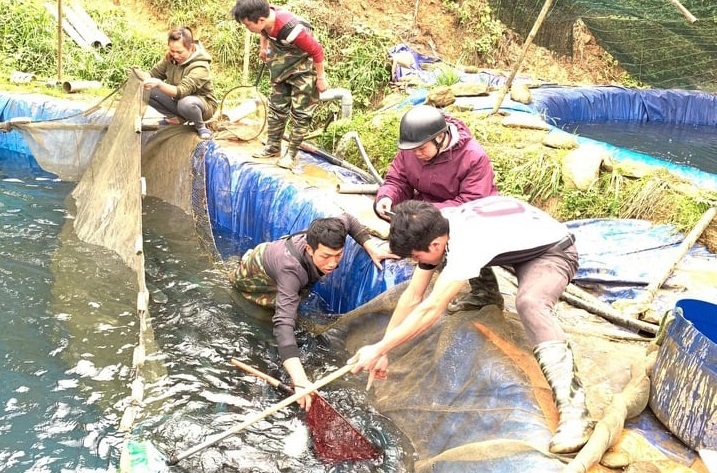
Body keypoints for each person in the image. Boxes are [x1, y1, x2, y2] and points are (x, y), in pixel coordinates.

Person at [348, 196, 595, 455]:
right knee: (447, 260)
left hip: (553, 250)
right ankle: (486, 293)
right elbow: (413, 295)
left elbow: (432, 309)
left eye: (415, 255)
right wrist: (384, 349)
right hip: (509, 238)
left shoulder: (466, 242)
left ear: (434, 242)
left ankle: (575, 411)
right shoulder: (438, 226)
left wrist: (377, 349)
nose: (414, 261)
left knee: (530, 303)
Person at [229, 214, 397, 411]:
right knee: (266, 314)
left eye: (338, 255)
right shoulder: (291, 271)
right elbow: (283, 325)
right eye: (325, 257)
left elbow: (349, 220)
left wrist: (371, 247)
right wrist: (300, 380)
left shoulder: (332, 229)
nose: (333, 263)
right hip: (255, 276)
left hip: (280, 264)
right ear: (309, 249)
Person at [374, 104, 503, 314]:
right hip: (428, 207)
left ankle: (486, 292)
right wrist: (386, 196)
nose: (417, 153)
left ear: (440, 137)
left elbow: (472, 202)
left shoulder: (473, 157)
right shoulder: (412, 150)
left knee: (454, 244)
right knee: (406, 219)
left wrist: (425, 214)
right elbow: (397, 179)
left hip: (470, 214)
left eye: (422, 149)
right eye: (412, 149)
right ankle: (423, 259)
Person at [231, 0, 328, 169]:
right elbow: (265, 32)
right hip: (282, 65)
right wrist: (263, 48)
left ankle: (292, 154)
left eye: (247, 25)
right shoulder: (266, 20)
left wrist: (320, 78)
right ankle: (273, 147)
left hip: (304, 67)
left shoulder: (292, 29)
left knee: (301, 113)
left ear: (260, 20)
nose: (247, 28)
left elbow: (317, 50)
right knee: (276, 106)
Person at [142, 27, 219, 140]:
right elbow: (153, 74)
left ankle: (201, 127)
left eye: (179, 52)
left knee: (186, 103)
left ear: (191, 48)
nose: (176, 55)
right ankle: (176, 118)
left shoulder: (201, 67)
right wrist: (139, 76)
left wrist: (159, 84)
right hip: (177, 101)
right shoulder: (170, 59)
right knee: (145, 88)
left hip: (202, 106)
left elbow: (181, 91)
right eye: (172, 51)